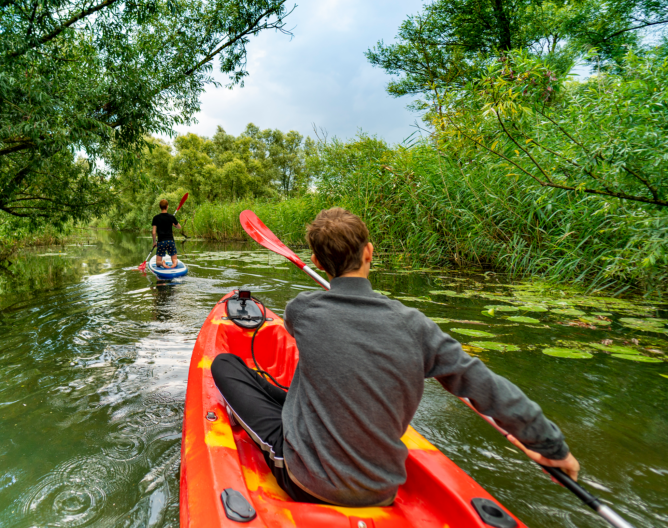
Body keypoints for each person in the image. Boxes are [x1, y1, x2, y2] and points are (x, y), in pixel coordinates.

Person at [211, 207, 579, 507]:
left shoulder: (301, 310)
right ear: (369, 252)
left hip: (307, 482)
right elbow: (487, 386)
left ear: (316, 262)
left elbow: (315, 333)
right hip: (383, 491)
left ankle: (273, 439)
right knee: (298, 392)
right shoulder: (416, 326)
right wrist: (552, 446)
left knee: (225, 366)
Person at [151, 199, 183, 268]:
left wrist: (154, 242)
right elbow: (179, 227)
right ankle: (174, 263)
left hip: (161, 241)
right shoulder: (171, 217)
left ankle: (162, 263)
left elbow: (153, 232)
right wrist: (174, 224)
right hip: (170, 241)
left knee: (157, 262)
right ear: (167, 206)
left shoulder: (156, 218)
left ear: (160, 207)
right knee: (174, 259)